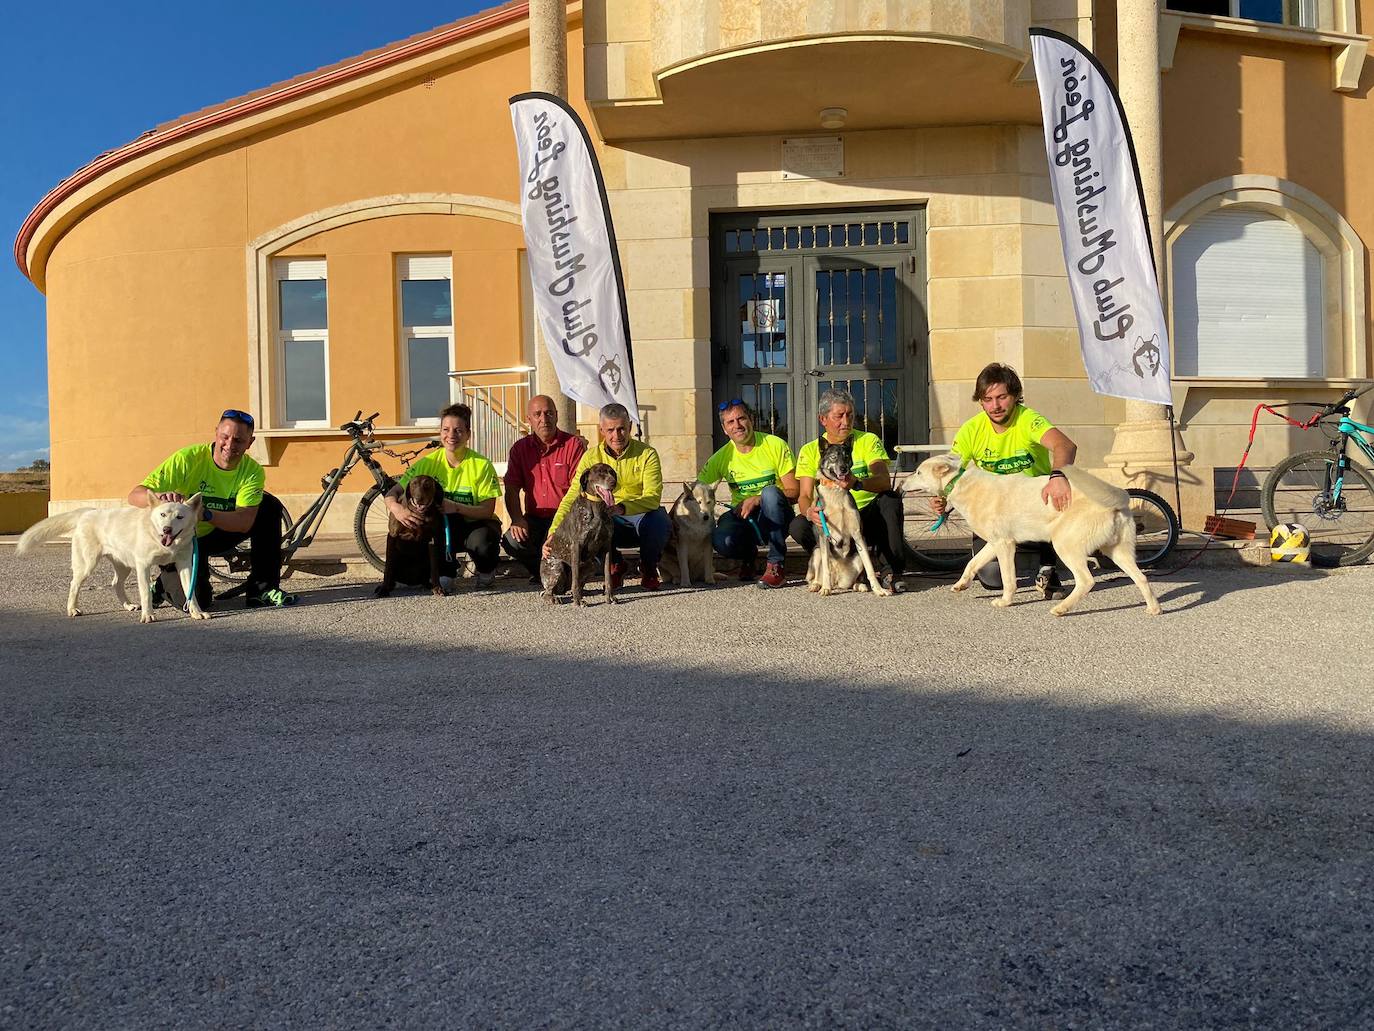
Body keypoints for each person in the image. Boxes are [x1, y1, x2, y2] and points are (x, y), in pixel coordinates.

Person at [932, 362, 1078, 598]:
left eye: (1002, 397)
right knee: (991, 579)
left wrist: (1059, 476)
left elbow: (1065, 445)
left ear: (1016, 396)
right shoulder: (971, 430)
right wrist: (941, 497)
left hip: (1033, 503)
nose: (995, 406)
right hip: (993, 510)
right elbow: (949, 469)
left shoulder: (1028, 419)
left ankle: (1048, 565)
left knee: (1051, 494)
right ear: (980, 401)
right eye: (987, 399)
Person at [129, 408, 295, 609]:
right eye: (224, 437)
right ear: (216, 432)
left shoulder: (252, 471)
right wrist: (160, 499)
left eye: (239, 441)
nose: (229, 445)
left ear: (250, 443)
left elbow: (244, 522)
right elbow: (135, 495)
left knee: (269, 506)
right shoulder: (187, 458)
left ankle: (262, 589)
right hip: (181, 539)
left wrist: (205, 514)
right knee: (199, 601)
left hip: (217, 532)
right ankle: (162, 586)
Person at [788, 388, 908, 592]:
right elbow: (805, 494)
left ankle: (891, 571)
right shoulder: (809, 450)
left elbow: (883, 480)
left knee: (890, 499)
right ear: (823, 419)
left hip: (865, 514)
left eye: (850, 415)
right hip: (832, 521)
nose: (846, 421)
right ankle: (834, 566)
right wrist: (810, 512)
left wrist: (857, 483)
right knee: (798, 525)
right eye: (839, 416)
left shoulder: (867, 440)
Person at [545, 402, 668, 591]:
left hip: (636, 511)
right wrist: (553, 531)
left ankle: (649, 568)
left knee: (660, 520)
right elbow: (573, 495)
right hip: (606, 515)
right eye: (610, 430)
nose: (616, 435)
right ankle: (615, 565)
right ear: (602, 430)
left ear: (630, 427)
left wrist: (623, 507)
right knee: (590, 523)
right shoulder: (591, 457)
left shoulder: (647, 454)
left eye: (621, 429)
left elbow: (653, 497)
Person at [385, 402, 502, 589]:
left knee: (483, 542)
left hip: (475, 523)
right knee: (432, 530)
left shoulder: (481, 465)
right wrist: (396, 508)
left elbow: (488, 510)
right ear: (440, 433)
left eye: (458, 430)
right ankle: (446, 572)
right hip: (443, 526)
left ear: (468, 434)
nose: (451, 435)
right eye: (446, 430)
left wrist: (455, 507)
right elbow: (394, 492)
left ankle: (486, 569)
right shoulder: (428, 462)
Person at [697, 399, 798, 588]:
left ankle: (776, 564)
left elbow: (794, 491)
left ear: (751, 419)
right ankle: (748, 558)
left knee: (769, 493)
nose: (737, 425)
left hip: (776, 516)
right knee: (721, 540)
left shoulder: (774, 444)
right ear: (724, 429)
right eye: (730, 422)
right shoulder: (720, 457)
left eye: (741, 418)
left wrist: (758, 499)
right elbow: (696, 490)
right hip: (742, 517)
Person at [501, 394, 587, 583]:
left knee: (566, 545)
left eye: (548, 413)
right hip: (534, 519)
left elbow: (580, 491)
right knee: (511, 540)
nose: (544, 419)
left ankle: (565, 573)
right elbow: (512, 488)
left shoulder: (573, 446)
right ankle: (542, 573)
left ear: (556, 415)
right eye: (537, 414)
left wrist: (560, 526)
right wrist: (517, 518)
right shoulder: (519, 449)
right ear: (528, 419)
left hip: (566, 519)